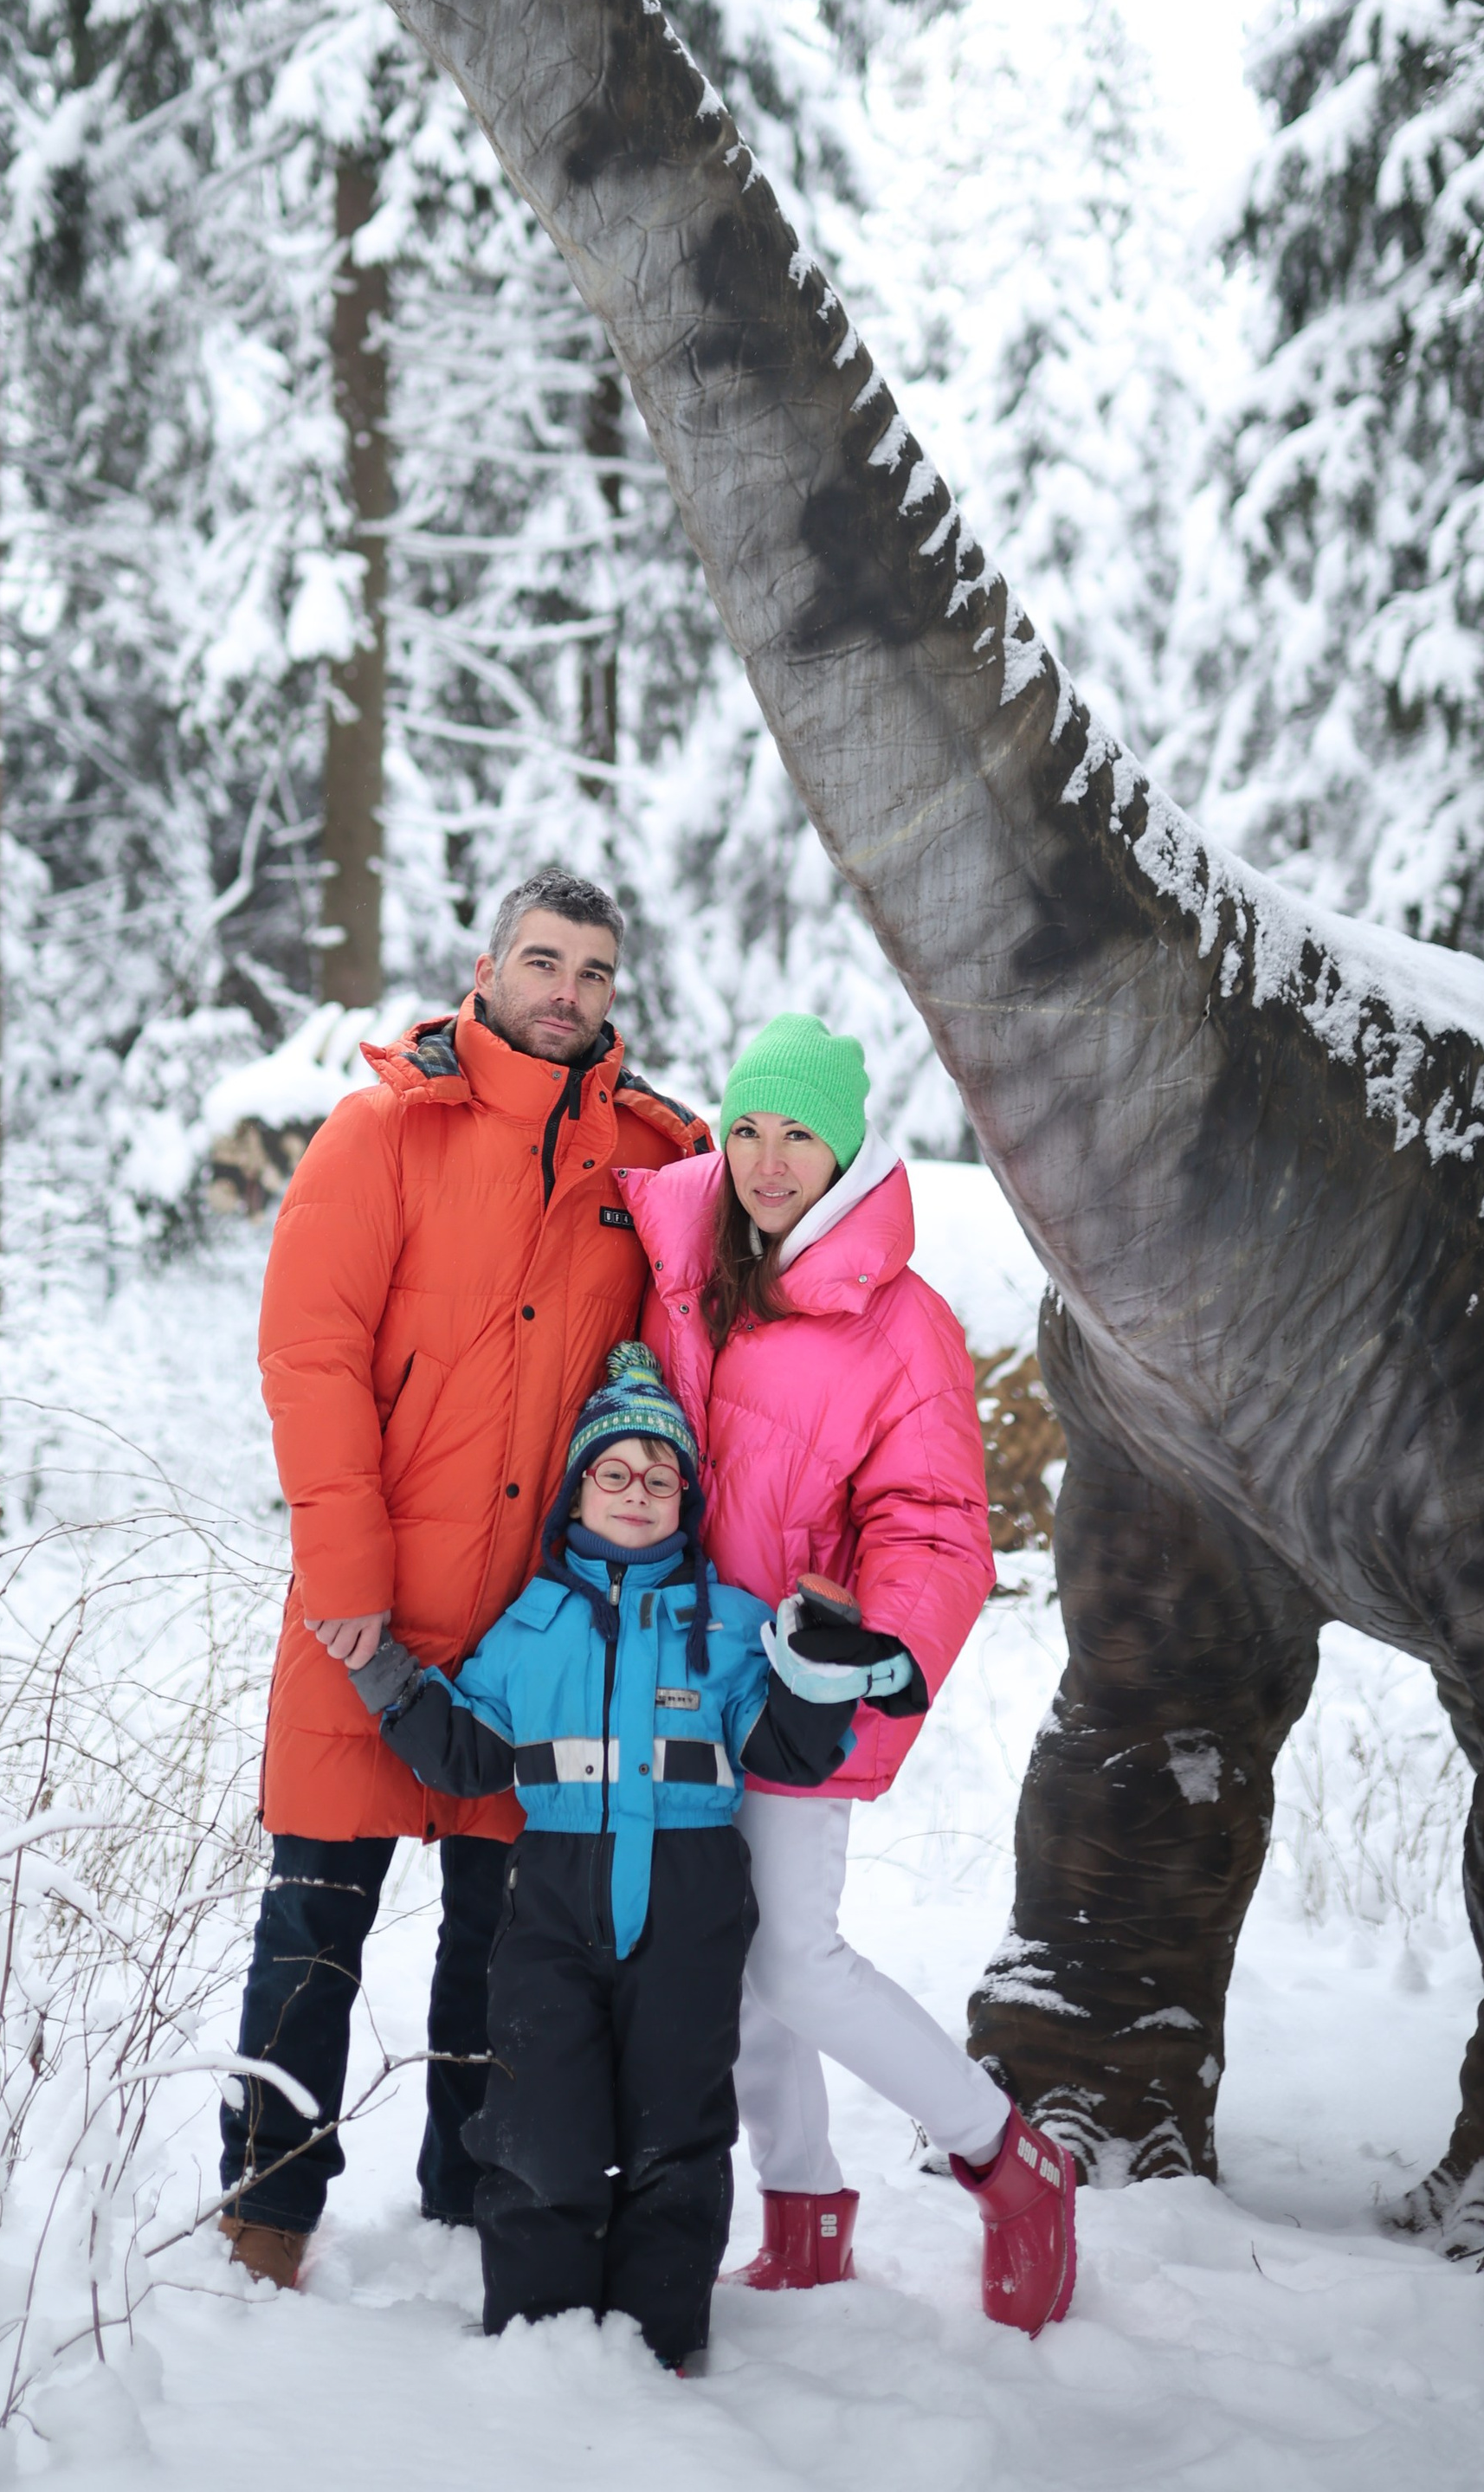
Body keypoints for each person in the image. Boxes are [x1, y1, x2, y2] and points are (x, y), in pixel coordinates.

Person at [216, 870, 710, 2288]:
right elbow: (310, 1357)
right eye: (544, 961)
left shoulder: (652, 1161)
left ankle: (470, 2202)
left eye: (595, 971)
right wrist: (345, 1570)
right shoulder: (381, 1132)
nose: (568, 991)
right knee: (314, 1921)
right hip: (367, 1609)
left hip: (537, 1634)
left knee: (508, 1947)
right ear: (485, 970)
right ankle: (266, 2215)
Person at [623, 1012, 1079, 2334]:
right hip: (686, 1672)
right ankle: (804, 2211)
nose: (769, 1162)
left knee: (798, 1962)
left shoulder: (901, 1322)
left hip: (800, 1687)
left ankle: (1010, 2161)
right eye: (748, 1131)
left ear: (845, 1150)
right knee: (736, 1957)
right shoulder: (688, 1266)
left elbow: (936, 1528)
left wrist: (866, 1657)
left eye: (799, 1137)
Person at [343, 1351, 863, 2370]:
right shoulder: (530, 1624)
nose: (637, 1492)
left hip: (690, 1904)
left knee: (679, 2126)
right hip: (551, 1906)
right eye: (613, 1472)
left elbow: (788, 1752)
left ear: (686, 1500)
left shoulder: (731, 1623)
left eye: (660, 1477)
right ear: (576, 1492)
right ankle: (538, 2339)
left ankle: (660, 2344)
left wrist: (822, 1666)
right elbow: (470, 1756)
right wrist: (385, 1675)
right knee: (540, 2120)